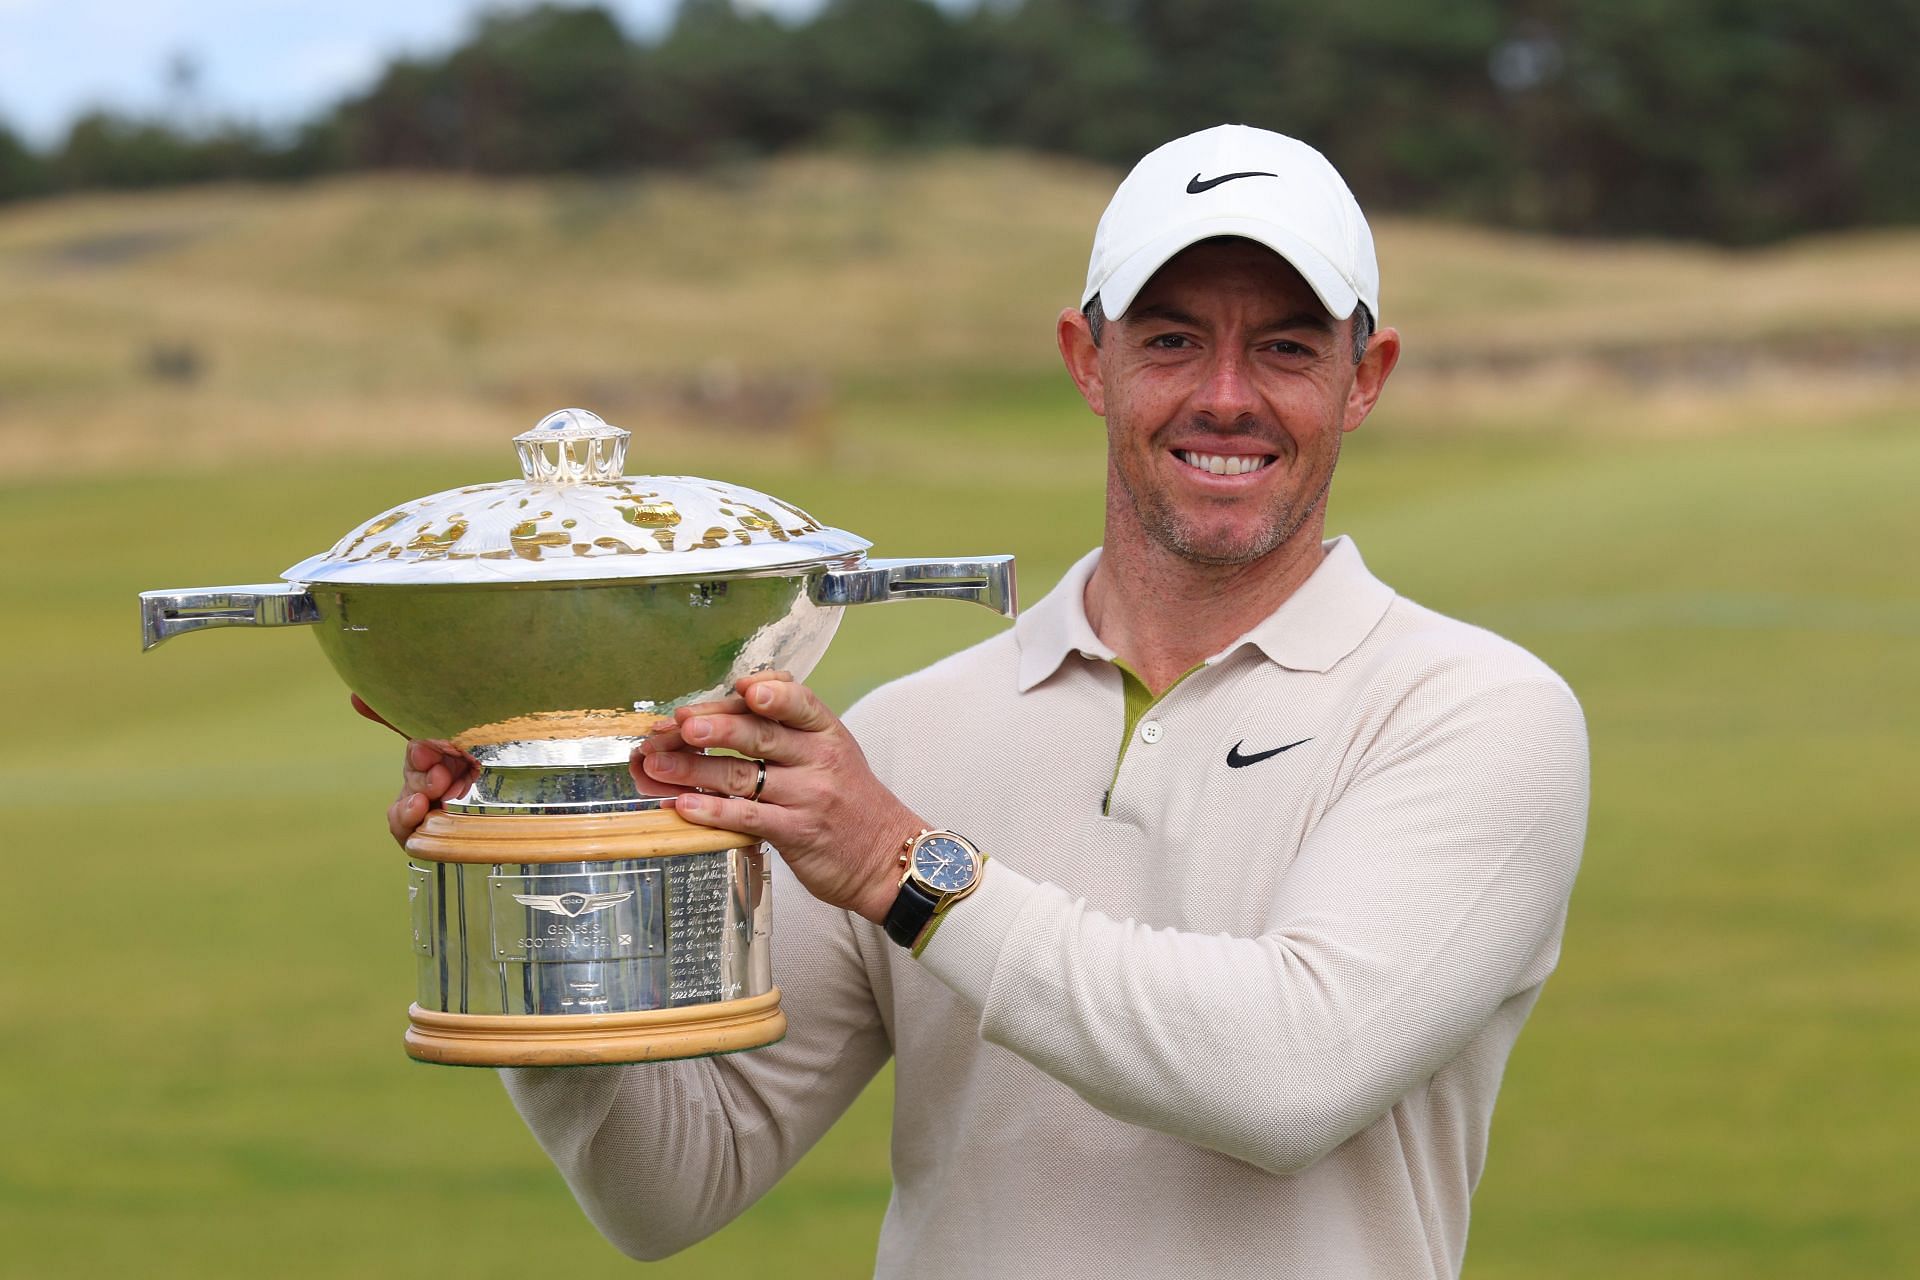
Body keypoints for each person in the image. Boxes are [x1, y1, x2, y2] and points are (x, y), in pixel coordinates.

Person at [386, 124, 1589, 1278]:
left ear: (1363, 378)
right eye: (1170, 340)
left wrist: (905, 869)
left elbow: (1290, 1074)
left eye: (1285, 346)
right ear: (1086, 358)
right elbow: (674, 1182)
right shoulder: (916, 730)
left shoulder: (1473, 710)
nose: (1227, 396)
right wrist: (539, 857)